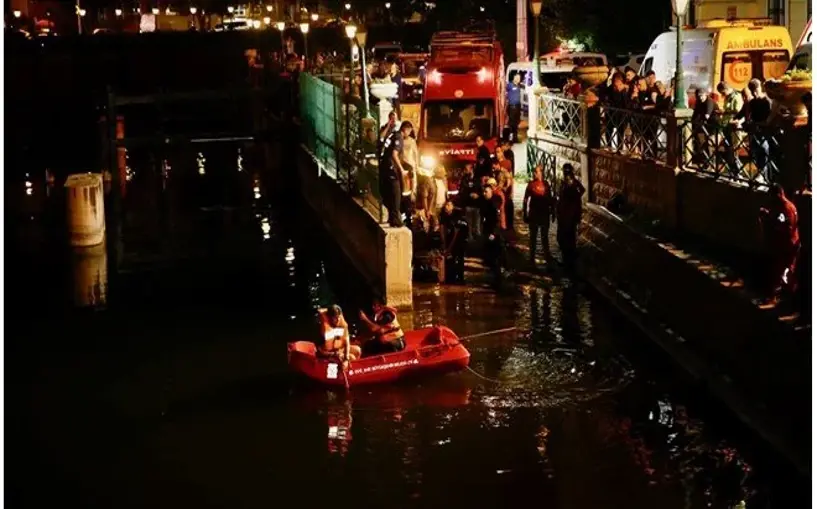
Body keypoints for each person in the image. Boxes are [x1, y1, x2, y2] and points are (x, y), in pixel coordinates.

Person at [759, 184, 800, 303]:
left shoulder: (785, 208)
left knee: (784, 272)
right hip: (788, 244)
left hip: (787, 245)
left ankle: (790, 298)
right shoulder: (786, 206)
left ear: (779, 195)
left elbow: (782, 226)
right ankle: (783, 297)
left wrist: (768, 219)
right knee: (783, 271)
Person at [379, 121, 412, 227]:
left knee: (388, 194)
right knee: (396, 193)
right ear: (406, 129)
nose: (409, 134)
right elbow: (394, 154)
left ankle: (391, 218)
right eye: (409, 131)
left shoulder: (392, 134)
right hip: (391, 168)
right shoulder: (399, 138)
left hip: (384, 167)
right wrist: (401, 170)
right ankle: (396, 219)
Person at [523, 164, 555, 265]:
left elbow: (550, 199)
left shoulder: (546, 184)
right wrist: (525, 213)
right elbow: (525, 199)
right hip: (534, 213)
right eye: (534, 172)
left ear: (541, 172)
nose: (535, 174)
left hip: (544, 213)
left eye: (536, 172)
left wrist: (553, 212)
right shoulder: (531, 184)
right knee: (533, 237)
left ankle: (547, 258)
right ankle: (531, 259)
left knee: (544, 237)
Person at [556, 164, 586, 267]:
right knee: (567, 236)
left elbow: (581, 191)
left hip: (568, 215)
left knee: (566, 237)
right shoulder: (567, 183)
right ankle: (568, 257)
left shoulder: (570, 183)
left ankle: (568, 258)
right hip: (566, 214)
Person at [439, 199, 469, 283]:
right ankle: (450, 276)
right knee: (450, 259)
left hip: (460, 239)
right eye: (445, 205)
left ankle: (460, 277)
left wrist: (449, 249)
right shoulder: (443, 215)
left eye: (448, 205)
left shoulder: (458, 216)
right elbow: (442, 229)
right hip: (451, 237)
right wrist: (444, 244)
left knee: (459, 257)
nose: (446, 207)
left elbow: (456, 235)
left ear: (452, 206)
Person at [457, 162, 482, 241]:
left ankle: (479, 242)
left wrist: (478, 195)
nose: (465, 170)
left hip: (477, 205)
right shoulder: (464, 180)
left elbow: (481, 191)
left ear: (471, 169)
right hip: (468, 205)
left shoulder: (477, 179)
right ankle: (470, 243)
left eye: (466, 169)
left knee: (477, 225)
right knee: (469, 226)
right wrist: (469, 195)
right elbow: (461, 192)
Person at [506, 72, 523, 143]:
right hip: (512, 107)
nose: (519, 79)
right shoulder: (509, 85)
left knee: (516, 124)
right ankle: (510, 139)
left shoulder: (519, 86)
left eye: (519, 78)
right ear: (514, 77)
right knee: (511, 125)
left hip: (517, 107)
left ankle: (515, 139)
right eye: (517, 77)